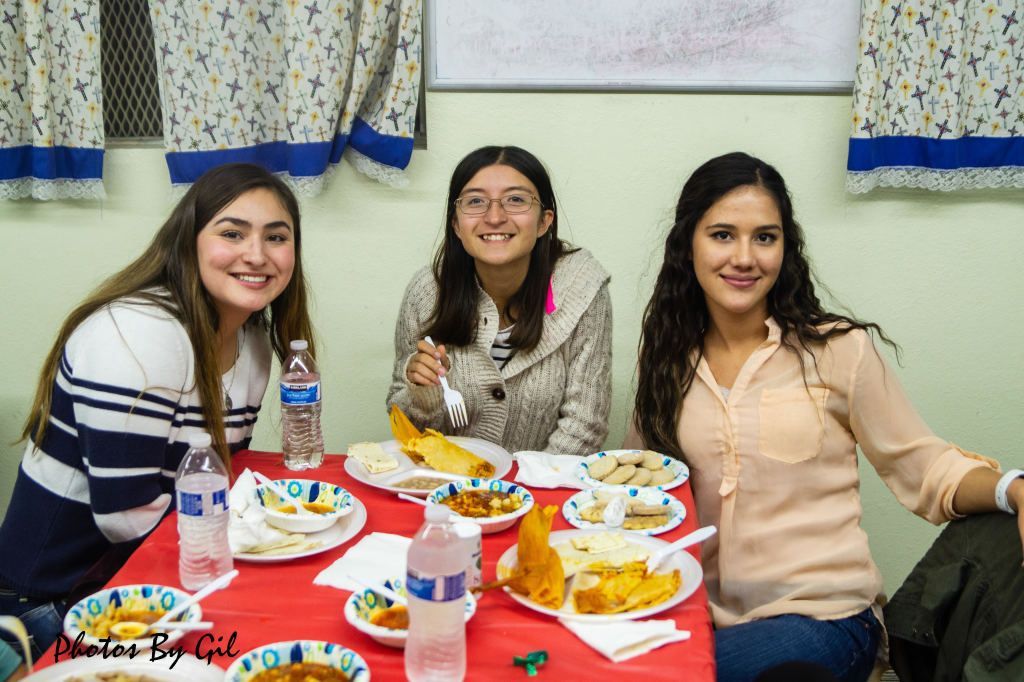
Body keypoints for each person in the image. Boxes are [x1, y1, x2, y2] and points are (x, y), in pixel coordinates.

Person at [626, 152, 1023, 682]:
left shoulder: (838, 350)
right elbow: (638, 495)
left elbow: (924, 466)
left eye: (764, 237)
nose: (744, 257)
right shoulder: (668, 362)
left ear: (785, 249)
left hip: (825, 619)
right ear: (687, 245)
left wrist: (1014, 489)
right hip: (700, 617)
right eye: (722, 234)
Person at [0, 163, 315, 659]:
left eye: (276, 237)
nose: (256, 255)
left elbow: (213, 482)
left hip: (158, 576)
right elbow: (125, 517)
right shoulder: (137, 331)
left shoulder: (252, 339)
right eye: (232, 233)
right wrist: (259, 538)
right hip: (52, 604)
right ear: (188, 241)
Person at [388, 145, 612, 456]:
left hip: (542, 492)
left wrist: (520, 495)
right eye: (476, 202)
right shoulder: (428, 292)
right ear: (456, 224)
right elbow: (407, 430)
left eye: (516, 200)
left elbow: (585, 424)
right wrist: (423, 395)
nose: (494, 217)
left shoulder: (582, 288)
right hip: (448, 490)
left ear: (544, 221)